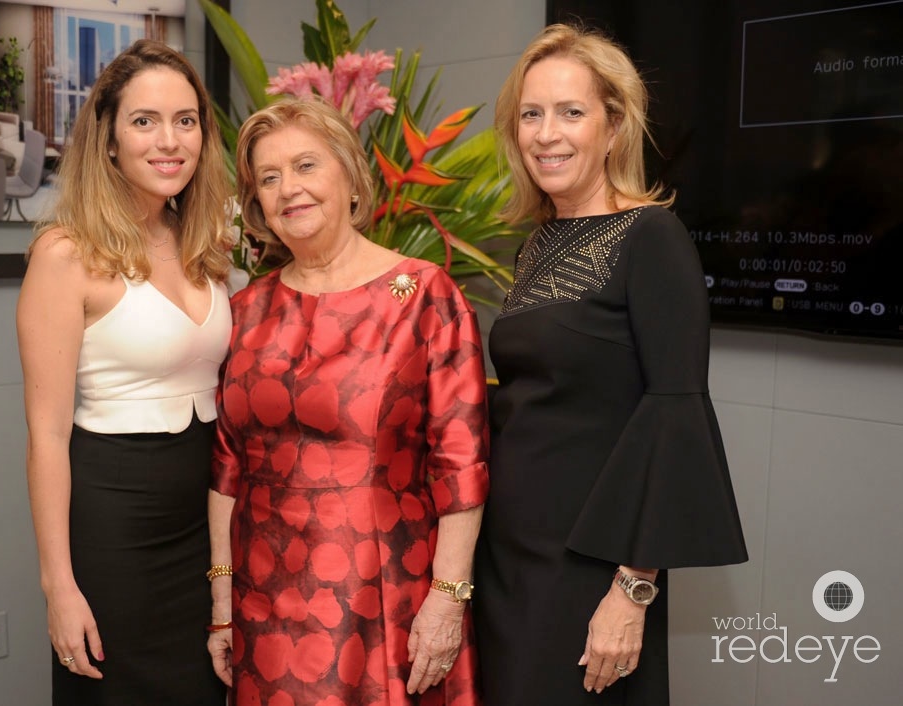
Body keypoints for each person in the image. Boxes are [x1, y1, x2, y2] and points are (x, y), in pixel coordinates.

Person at [474, 24, 748, 705]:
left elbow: (673, 415)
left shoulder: (651, 237)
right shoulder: (538, 243)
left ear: (614, 125)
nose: (547, 134)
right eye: (531, 115)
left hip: (588, 564)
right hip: (510, 553)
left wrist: (633, 588)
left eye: (571, 112)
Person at [206, 98, 489, 705]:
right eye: (270, 178)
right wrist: (222, 604)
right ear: (256, 203)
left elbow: (460, 461)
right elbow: (227, 465)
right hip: (263, 602)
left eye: (306, 166)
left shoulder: (422, 296)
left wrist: (449, 595)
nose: (290, 190)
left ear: (349, 175)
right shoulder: (245, 310)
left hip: (385, 593)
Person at [16, 39, 231, 705]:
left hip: (206, 522)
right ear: (108, 140)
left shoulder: (210, 242)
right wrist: (59, 586)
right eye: (145, 122)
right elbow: (47, 437)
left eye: (185, 120)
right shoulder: (65, 254)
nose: (169, 141)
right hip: (116, 524)